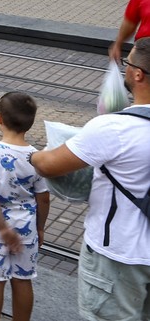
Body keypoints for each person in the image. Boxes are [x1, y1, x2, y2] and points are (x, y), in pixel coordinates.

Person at [29, 38, 150, 321]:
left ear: (138, 74)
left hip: (118, 256)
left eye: (127, 63)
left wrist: (32, 157)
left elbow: (49, 166)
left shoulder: (115, 128)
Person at [0, 92, 50, 321]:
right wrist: (40, 228)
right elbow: (44, 197)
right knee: (23, 278)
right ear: (30, 123)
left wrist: (3, 228)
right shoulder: (37, 157)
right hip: (25, 228)